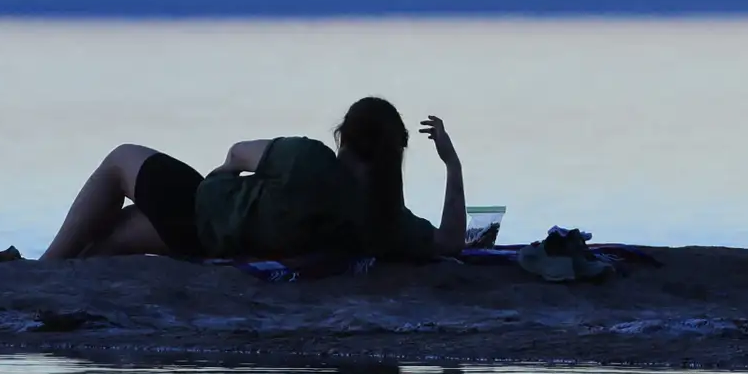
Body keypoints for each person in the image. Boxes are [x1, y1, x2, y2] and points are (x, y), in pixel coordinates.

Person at [38, 98, 468, 267]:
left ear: (343, 137)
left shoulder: (309, 160)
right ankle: (71, 274)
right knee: (118, 231)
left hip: (207, 216)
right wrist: (452, 165)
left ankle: (44, 268)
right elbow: (450, 243)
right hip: (217, 242)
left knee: (121, 159)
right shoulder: (384, 219)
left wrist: (223, 177)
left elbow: (238, 152)